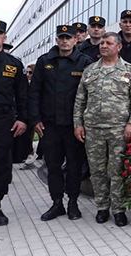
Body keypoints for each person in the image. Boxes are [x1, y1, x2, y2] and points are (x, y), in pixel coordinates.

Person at [73, 32, 131, 226]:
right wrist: (78, 124)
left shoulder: (129, 71)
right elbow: (80, 101)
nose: (104, 46)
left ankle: (119, 209)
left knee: (118, 170)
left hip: (119, 129)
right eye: (102, 43)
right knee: (97, 171)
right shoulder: (89, 71)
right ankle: (102, 207)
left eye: (108, 43)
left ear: (118, 47)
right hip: (93, 129)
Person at [28, 25, 93, 221]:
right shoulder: (44, 61)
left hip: (74, 126)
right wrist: (35, 119)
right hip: (50, 125)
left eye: (69, 38)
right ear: (56, 40)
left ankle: (73, 202)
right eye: (62, 38)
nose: (65, 41)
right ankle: (57, 203)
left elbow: (91, 94)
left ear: (76, 40)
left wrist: (85, 123)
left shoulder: (85, 62)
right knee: (53, 166)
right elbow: (34, 92)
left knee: (74, 166)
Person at [0, 19, 28, 226]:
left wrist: (23, 119)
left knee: (0, 162)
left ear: (4, 37)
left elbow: (23, 95)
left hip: (2, 120)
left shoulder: (13, 64)